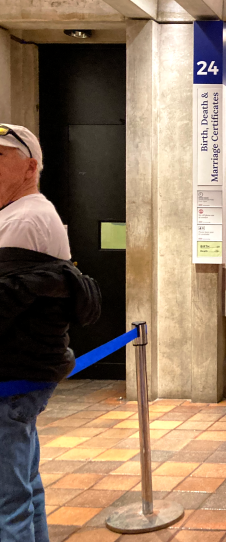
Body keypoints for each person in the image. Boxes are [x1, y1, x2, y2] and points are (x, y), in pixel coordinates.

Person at [0, 123, 102, 541]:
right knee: (23, 489)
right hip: (23, 373)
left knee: (8, 501)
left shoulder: (25, 219)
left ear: (30, 166)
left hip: (13, 373)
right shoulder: (23, 214)